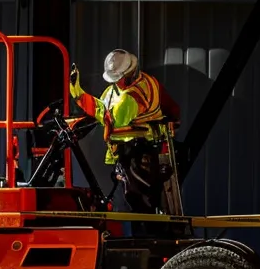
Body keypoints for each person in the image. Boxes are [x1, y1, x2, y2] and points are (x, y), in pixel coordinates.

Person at [71, 49, 182, 223]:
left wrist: (79, 97)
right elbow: (102, 108)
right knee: (133, 198)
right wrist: (78, 93)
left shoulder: (130, 97)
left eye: (120, 79)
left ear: (130, 73)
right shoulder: (117, 90)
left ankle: (147, 239)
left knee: (138, 201)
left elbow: (111, 119)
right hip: (131, 152)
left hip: (139, 152)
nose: (118, 83)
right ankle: (145, 234)